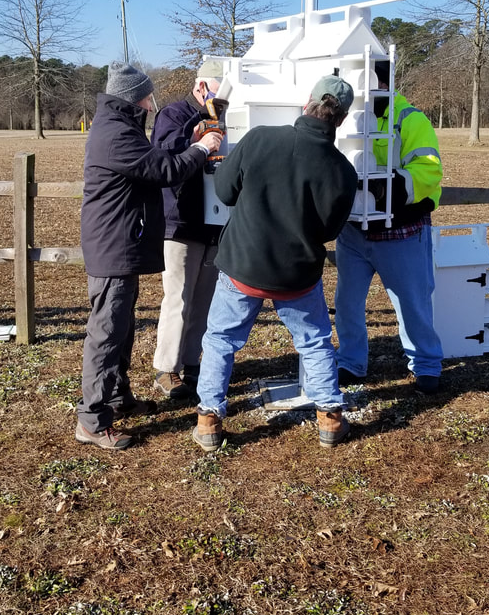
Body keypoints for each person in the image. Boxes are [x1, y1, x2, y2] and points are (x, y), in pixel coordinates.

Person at [192, 75, 359, 452]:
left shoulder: (261, 138)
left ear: (307, 104)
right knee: (314, 342)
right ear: (342, 119)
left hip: (242, 266)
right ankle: (329, 418)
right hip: (297, 274)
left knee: (220, 339)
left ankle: (208, 420)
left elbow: (223, 191)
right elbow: (330, 230)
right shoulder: (343, 172)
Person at [76, 61, 222, 451]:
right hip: (113, 245)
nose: (150, 101)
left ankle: (117, 394)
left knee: (120, 327)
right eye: (146, 94)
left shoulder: (118, 126)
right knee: (106, 333)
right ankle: (93, 419)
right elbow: (164, 169)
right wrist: (200, 148)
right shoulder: (117, 134)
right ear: (134, 97)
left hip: (120, 243)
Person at [334, 61, 444, 394]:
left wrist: (386, 187)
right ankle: (351, 362)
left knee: (412, 302)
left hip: (401, 232)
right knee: (347, 303)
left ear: (380, 81)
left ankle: (426, 364)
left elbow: (429, 173)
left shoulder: (409, 119)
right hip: (353, 232)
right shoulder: (343, 115)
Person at [149, 60, 224, 400]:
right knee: (178, 298)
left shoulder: (227, 114)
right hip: (179, 221)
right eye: (219, 90)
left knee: (203, 300)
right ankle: (167, 370)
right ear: (202, 87)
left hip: (213, 224)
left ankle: (192, 363)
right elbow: (164, 156)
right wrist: (200, 132)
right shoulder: (174, 114)